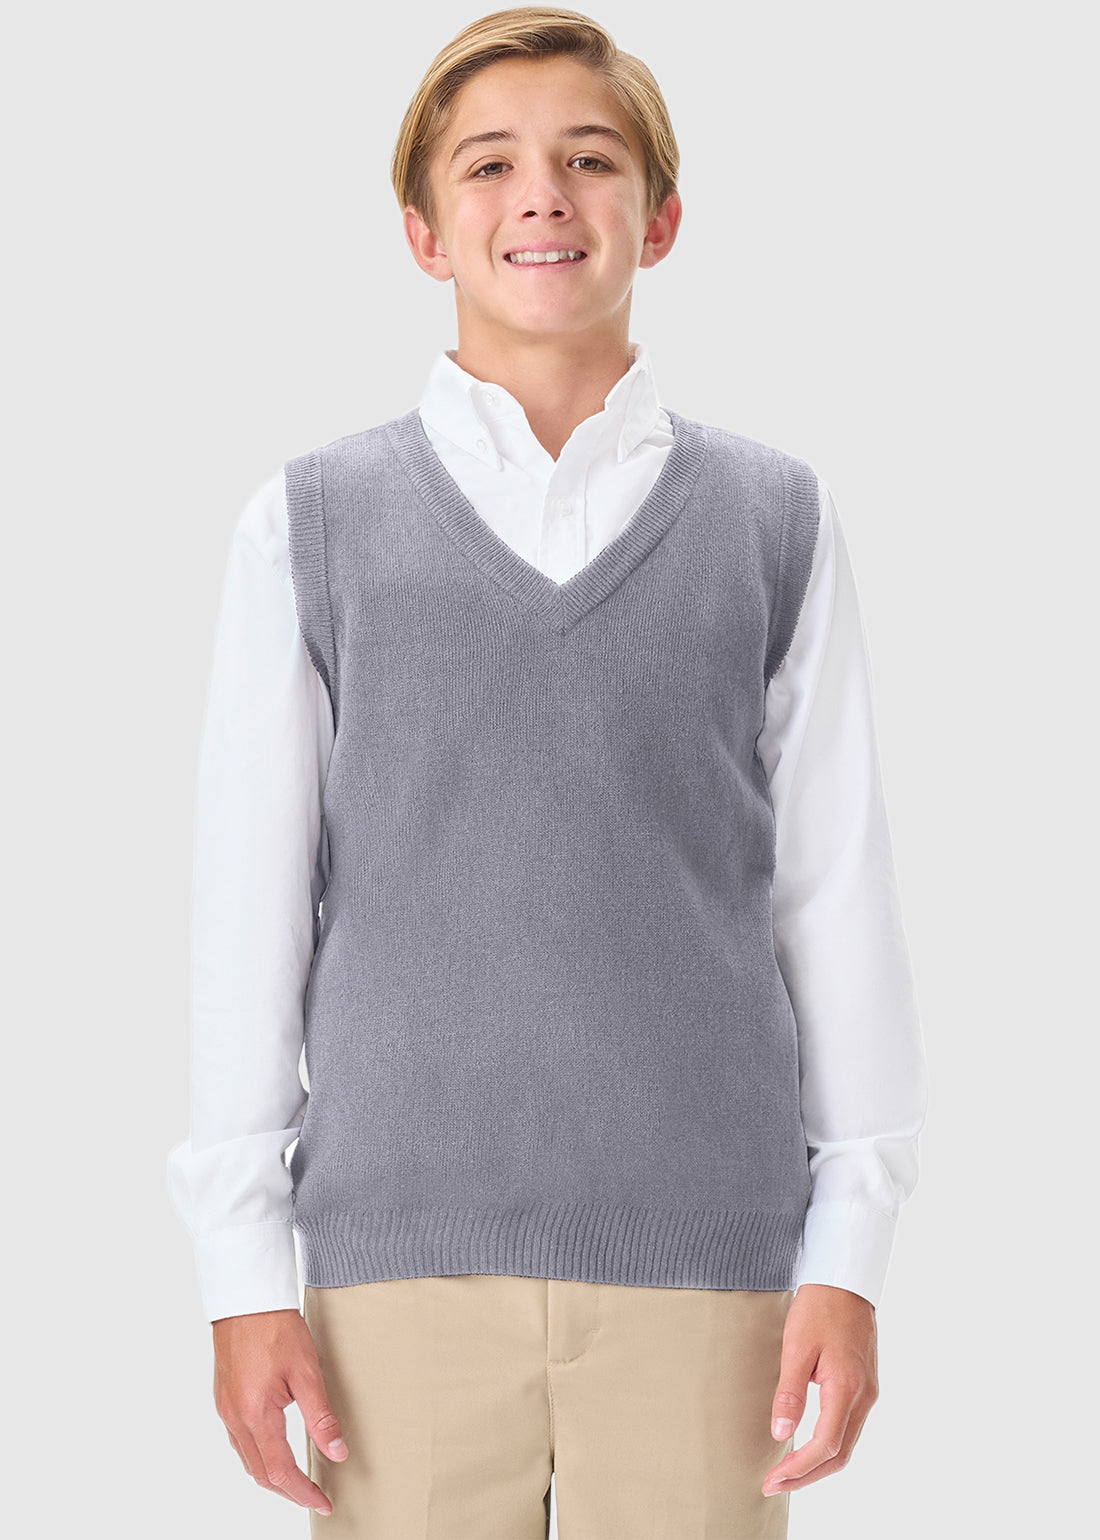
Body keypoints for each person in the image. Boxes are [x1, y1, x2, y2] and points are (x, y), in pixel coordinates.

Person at [167, 8, 928, 1537]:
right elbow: (250, 913)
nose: (542, 197)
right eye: (489, 165)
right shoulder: (311, 525)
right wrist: (242, 1276)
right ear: (421, 229)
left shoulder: (774, 522)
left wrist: (849, 1251)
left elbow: (833, 893)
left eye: (590, 159)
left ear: (661, 216)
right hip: (399, 1271)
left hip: (712, 1266)